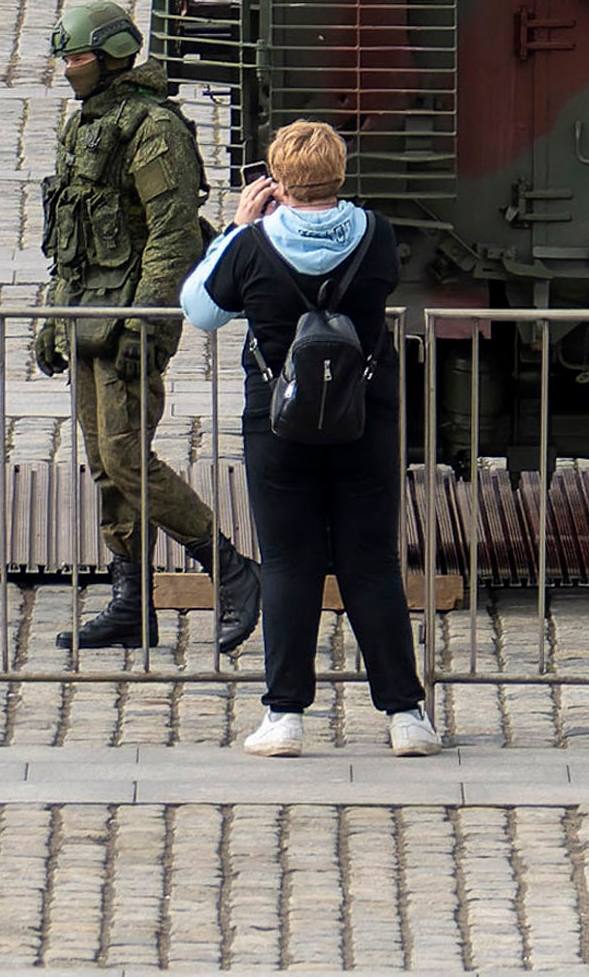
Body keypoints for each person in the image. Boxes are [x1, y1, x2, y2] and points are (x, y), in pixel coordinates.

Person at [182, 119, 435, 757]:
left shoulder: (253, 243)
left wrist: (239, 225)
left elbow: (200, 309)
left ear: (278, 180)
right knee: (372, 562)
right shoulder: (377, 235)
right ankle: (406, 717)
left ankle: (286, 715)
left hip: (279, 421)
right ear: (339, 173)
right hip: (366, 416)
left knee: (290, 562)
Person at [37, 1, 257, 654]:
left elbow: (172, 236)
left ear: (110, 56)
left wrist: (147, 321)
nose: (69, 69)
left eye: (77, 57)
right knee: (103, 465)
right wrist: (54, 314)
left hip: (130, 315)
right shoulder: (87, 126)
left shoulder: (153, 128)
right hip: (86, 309)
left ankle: (234, 572)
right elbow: (68, 234)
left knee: (127, 458)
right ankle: (133, 603)